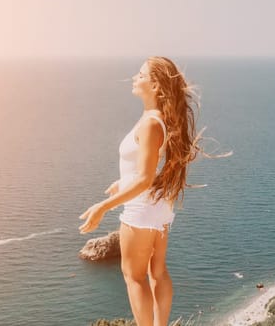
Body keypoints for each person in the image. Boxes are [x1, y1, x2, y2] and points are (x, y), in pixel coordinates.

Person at [79, 56, 202, 326]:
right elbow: (148, 168)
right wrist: (122, 184)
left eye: (141, 74)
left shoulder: (149, 123)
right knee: (157, 271)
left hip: (141, 210)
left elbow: (145, 178)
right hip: (159, 208)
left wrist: (103, 206)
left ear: (156, 86)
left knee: (133, 276)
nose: (134, 78)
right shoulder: (159, 120)